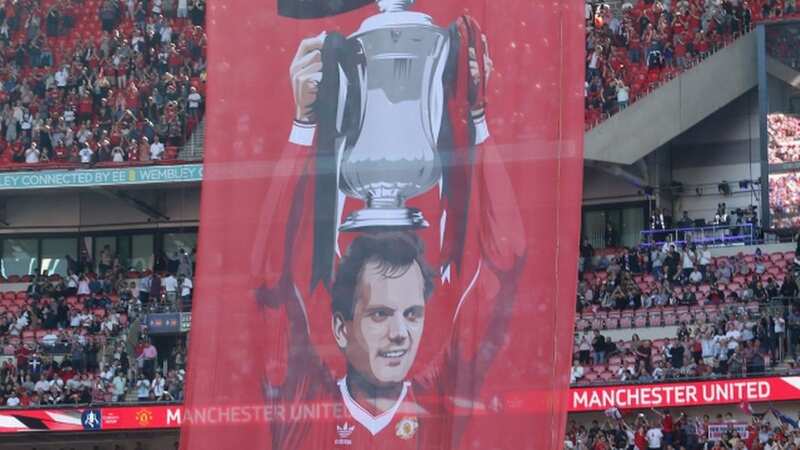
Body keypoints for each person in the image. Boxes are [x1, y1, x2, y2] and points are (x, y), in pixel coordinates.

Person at [258, 231, 520, 448]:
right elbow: (269, 277)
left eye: (412, 315)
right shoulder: (309, 400)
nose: (399, 334)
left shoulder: (435, 397)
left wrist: (483, 166)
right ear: (341, 329)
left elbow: (505, 261)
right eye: (380, 314)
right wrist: (298, 166)